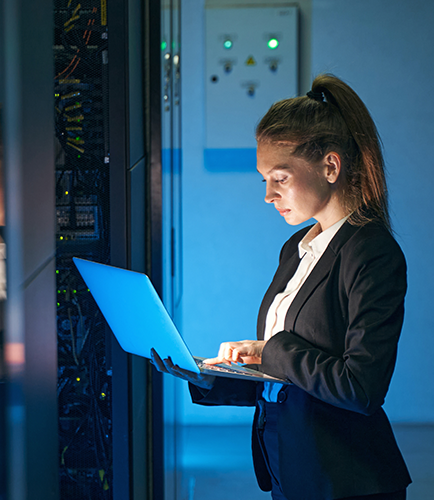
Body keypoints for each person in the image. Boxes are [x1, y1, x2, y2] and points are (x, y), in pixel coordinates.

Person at [151, 74, 411, 500]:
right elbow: (288, 382)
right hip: (288, 466)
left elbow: (360, 387)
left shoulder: (372, 252)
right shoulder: (297, 247)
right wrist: (211, 376)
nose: (269, 195)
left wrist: (270, 349)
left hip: (344, 481)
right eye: (264, 180)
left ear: (330, 167)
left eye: (281, 178)